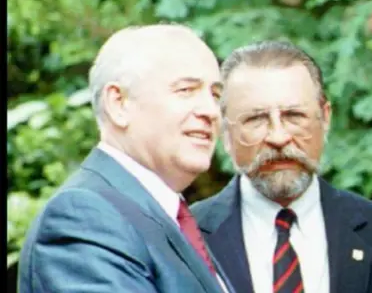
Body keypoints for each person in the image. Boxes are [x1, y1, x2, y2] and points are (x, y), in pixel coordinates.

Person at [18, 24, 234, 293]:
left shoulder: (171, 219)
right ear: (119, 103)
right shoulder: (85, 216)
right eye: (186, 90)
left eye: (215, 94)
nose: (211, 111)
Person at [190, 41, 372, 293]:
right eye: (256, 118)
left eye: (294, 116)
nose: (278, 137)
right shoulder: (187, 237)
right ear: (226, 133)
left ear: (325, 117)